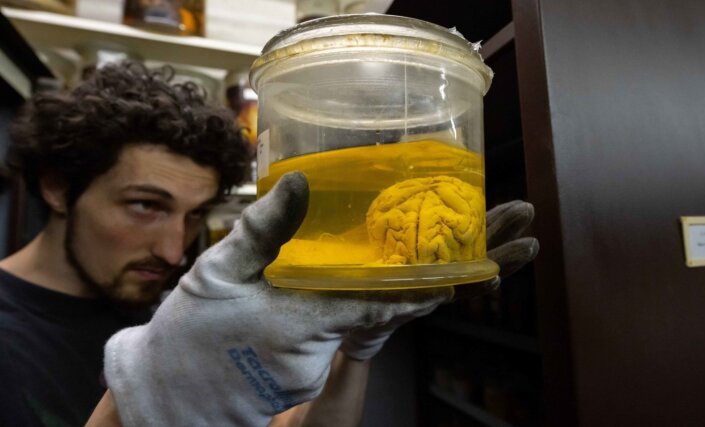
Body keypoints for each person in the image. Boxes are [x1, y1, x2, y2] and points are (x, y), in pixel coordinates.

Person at [0, 62, 539, 427]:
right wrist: (145, 399)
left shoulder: (184, 310)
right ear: (57, 188)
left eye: (196, 216)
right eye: (146, 205)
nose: (172, 251)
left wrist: (358, 349)